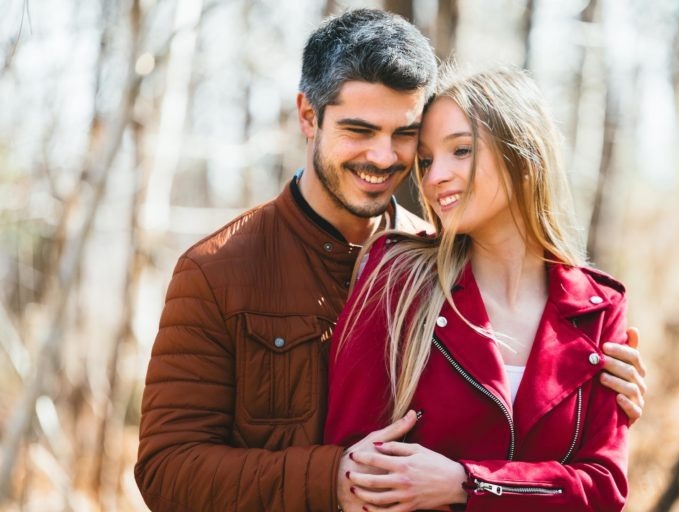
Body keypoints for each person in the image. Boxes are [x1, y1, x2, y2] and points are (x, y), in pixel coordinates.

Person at [134, 9, 646, 512]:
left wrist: (585, 394)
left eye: (404, 136)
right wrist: (332, 478)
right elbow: (166, 469)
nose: (385, 158)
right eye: (360, 130)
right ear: (309, 117)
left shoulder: (439, 264)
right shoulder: (219, 270)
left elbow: (584, 472)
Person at [325, 67, 633, 511]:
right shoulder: (396, 279)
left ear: (523, 156)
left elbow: (603, 489)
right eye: (427, 160)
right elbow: (356, 466)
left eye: (461, 150)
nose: (433, 178)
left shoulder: (599, 307)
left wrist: (468, 483)